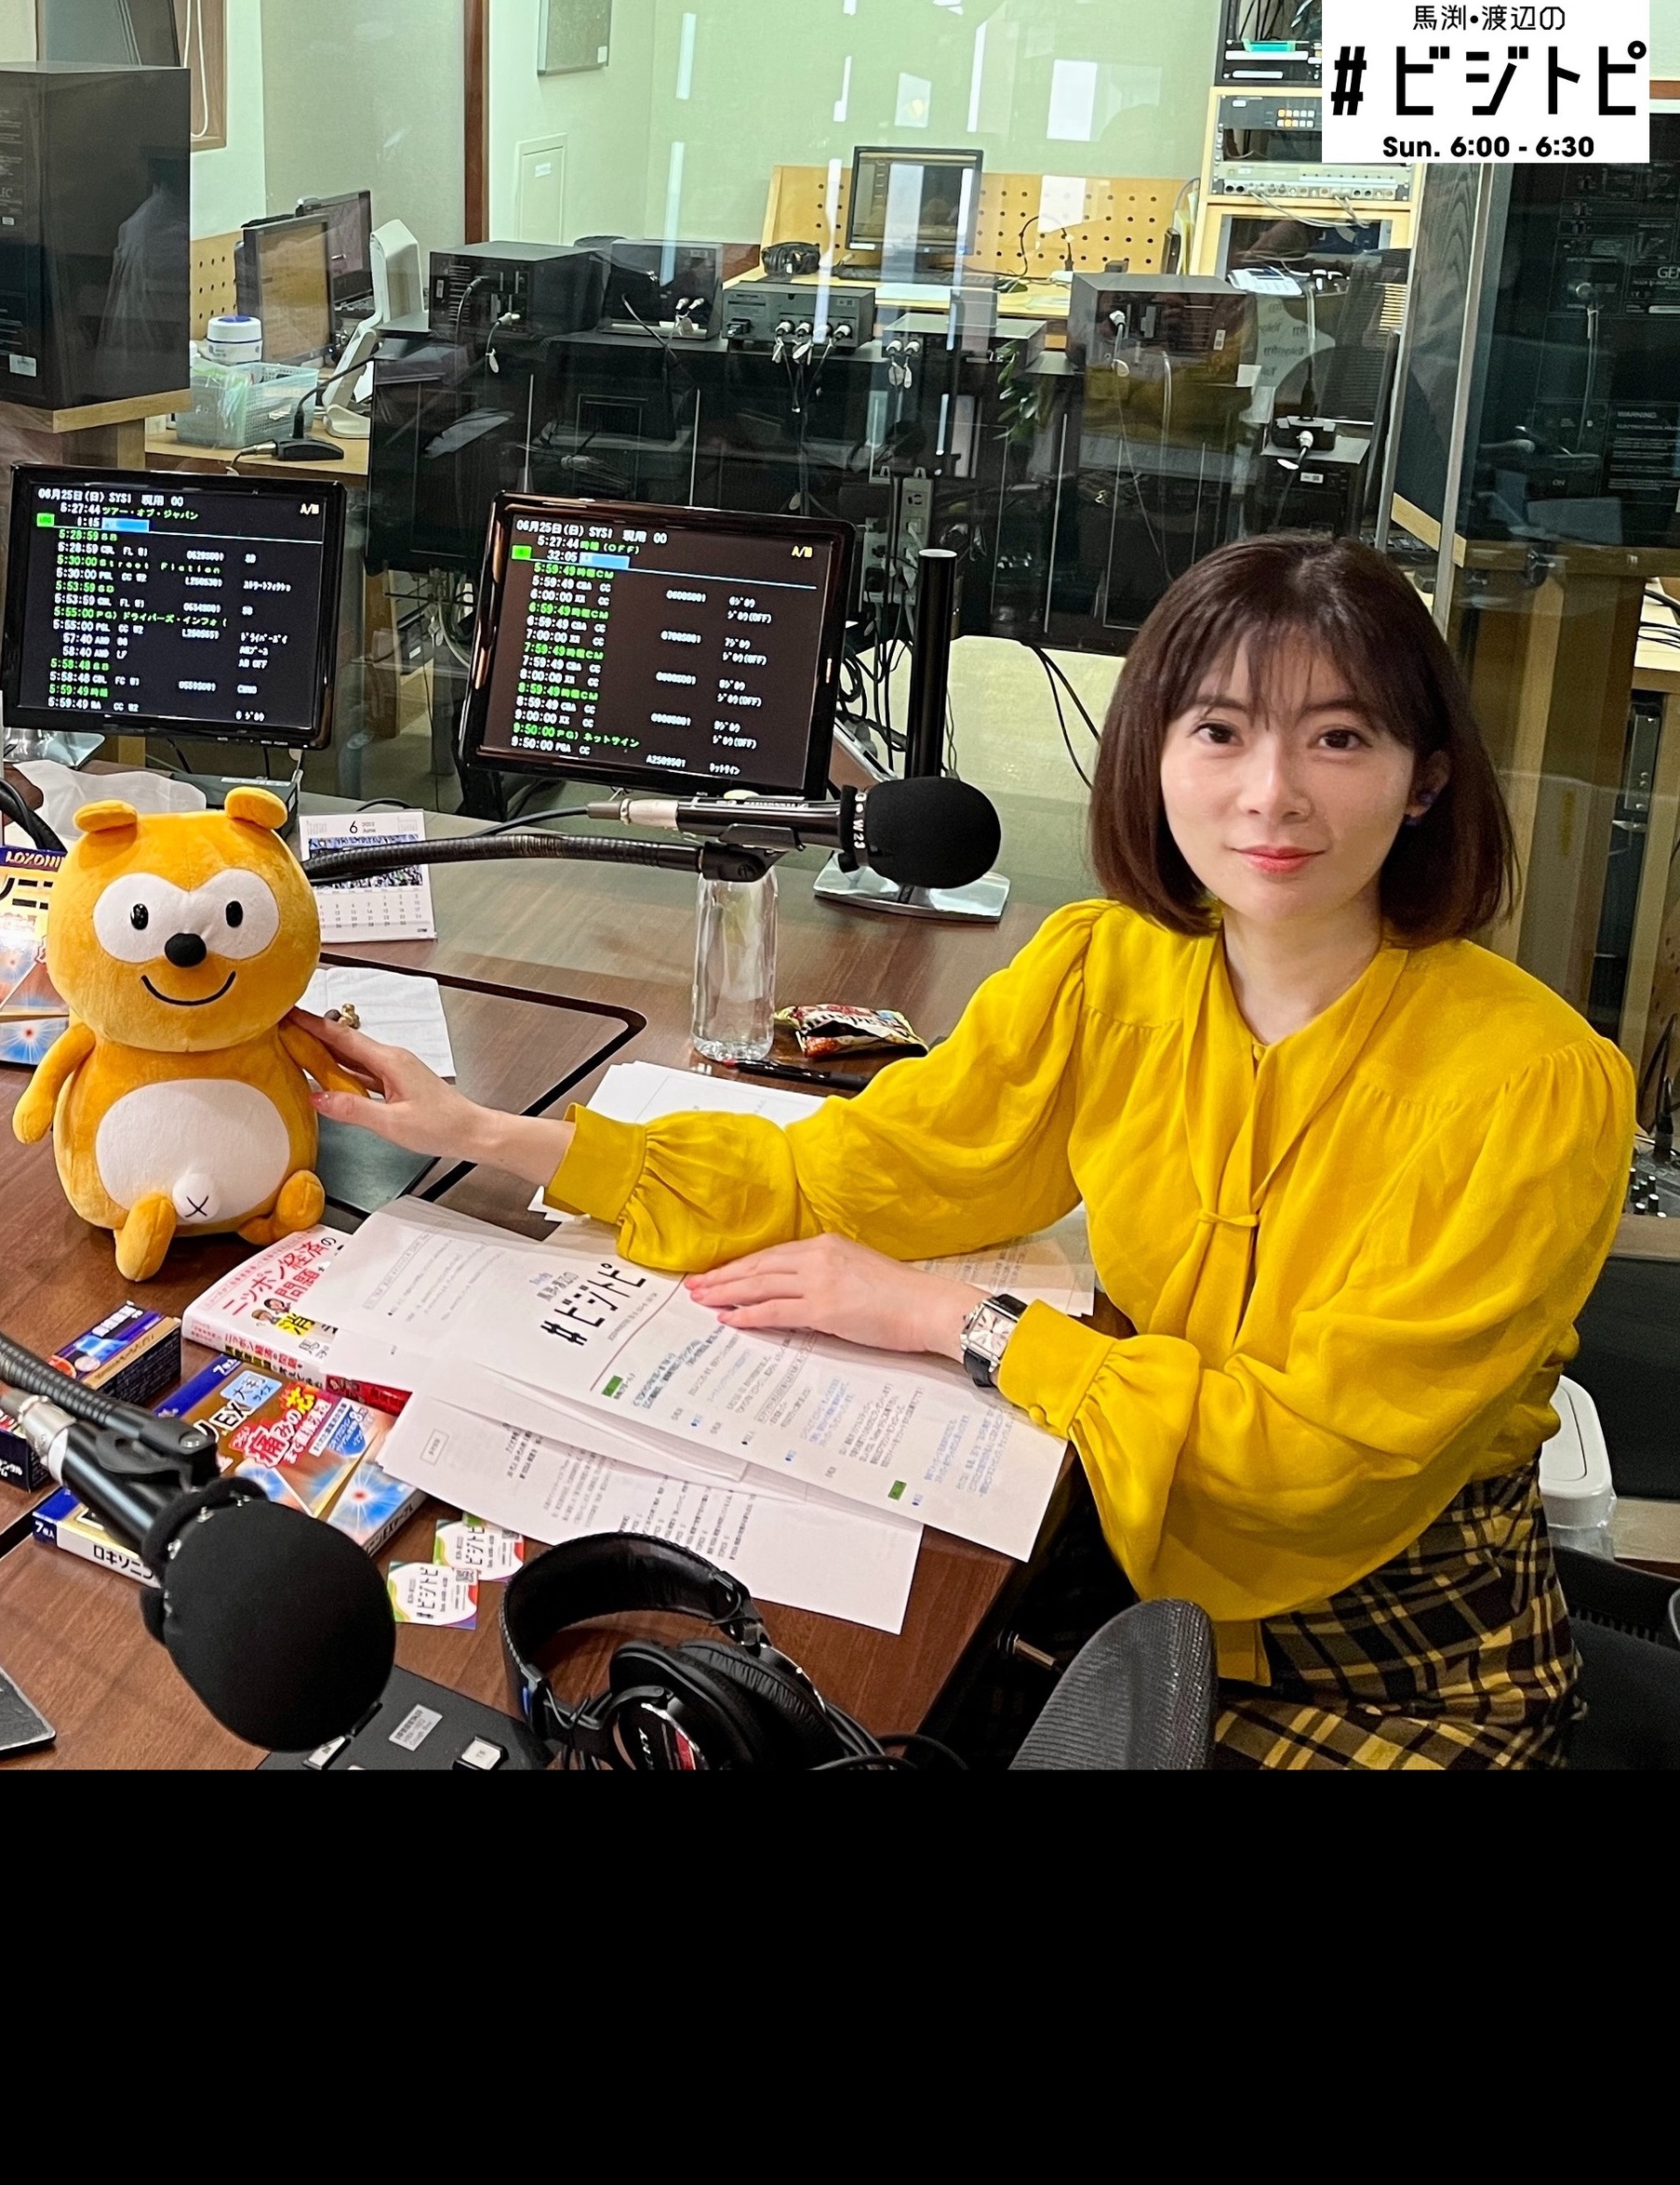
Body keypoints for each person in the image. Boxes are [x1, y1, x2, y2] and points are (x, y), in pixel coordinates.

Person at [297, 534, 1630, 1769]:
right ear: (1154, 753)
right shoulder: (1106, 970)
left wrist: (967, 1325)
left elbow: (1307, 1461)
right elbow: (862, 1170)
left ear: (1425, 776)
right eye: (1219, 731)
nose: (1271, 793)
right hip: (1127, 1575)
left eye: (1338, 738)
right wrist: (484, 1131)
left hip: (1392, 1651)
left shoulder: (1533, 1088)